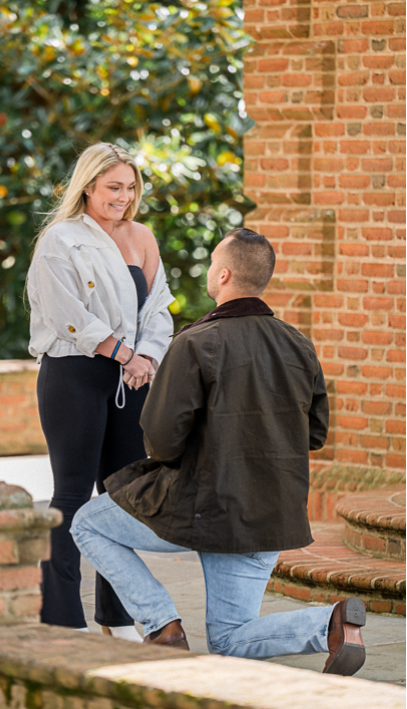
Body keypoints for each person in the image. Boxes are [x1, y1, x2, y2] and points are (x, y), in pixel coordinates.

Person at [71, 228, 367, 675]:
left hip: (206, 508)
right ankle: (329, 623)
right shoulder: (299, 344)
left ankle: (162, 624)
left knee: (87, 523)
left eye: (212, 262)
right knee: (229, 639)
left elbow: (162, 441)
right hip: (271, 514)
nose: (210, 269)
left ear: (224, 274)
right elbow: (316, 432)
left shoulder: (194, 343)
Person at [26, 142, 176, 639]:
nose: (123, 196)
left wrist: (148, 356)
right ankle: (63, 618)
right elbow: (67, 315)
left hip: (132, 378)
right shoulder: (60, 240)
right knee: (71, 495)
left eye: (130, 187)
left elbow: (158, 308)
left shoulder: (142, 237)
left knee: (121, 498)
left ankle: (117, 617)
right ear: (88, 185)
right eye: (114, 187)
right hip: (75, 376)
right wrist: (124, 354)